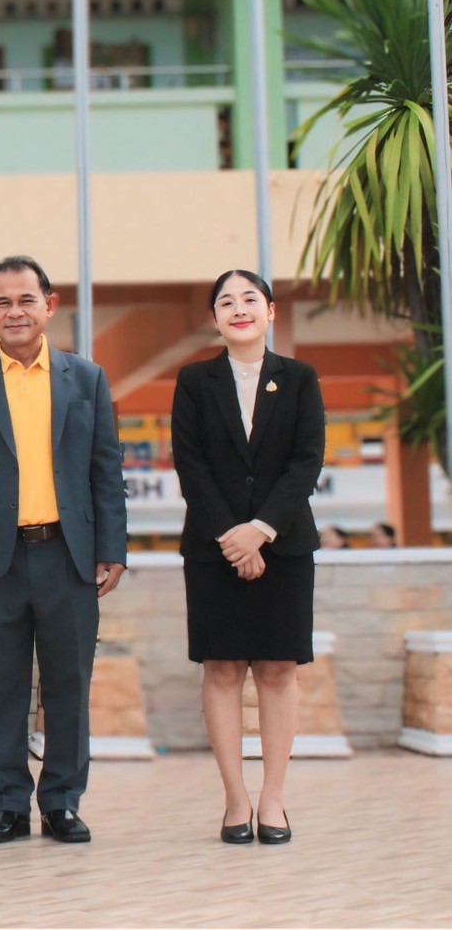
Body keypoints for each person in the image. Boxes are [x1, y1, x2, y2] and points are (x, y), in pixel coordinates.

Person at [0, 255, 128, 846]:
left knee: (69, 685)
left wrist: (113, 548)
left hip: (68, 555)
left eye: (27, 300)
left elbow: (106, 470)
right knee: (3, 688)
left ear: (50, 305)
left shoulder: (86, 378)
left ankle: (62, 802)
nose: (15, 312)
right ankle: (8, 804)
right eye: (3, 302)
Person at [171, 270, 324, 846]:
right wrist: (231, 538)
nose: (239, 309)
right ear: (214, 318)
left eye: (250, 299)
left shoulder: (300, 378)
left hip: (285, 545)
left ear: (270, 311)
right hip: (213, 549)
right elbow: (190, 463)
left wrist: (260, 531)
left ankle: (274, 799)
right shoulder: (195, 381)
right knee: (223, 669)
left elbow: (307, 461)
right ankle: (236, 799)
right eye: (226, 302)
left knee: (279, 670)